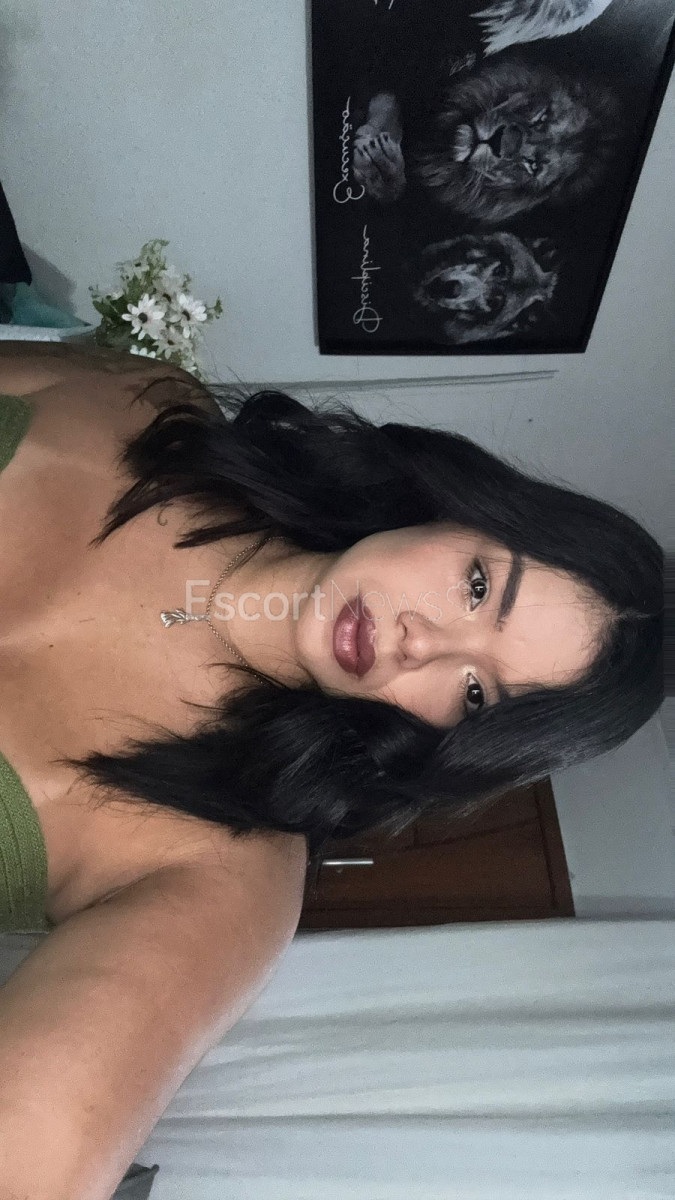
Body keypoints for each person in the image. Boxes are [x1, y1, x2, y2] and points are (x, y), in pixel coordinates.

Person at [0, 341, 663, 1196]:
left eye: (474, 693)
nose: (423, 645)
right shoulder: (144, 401)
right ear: (458, 509)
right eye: (476, 588)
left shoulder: (228, 873)